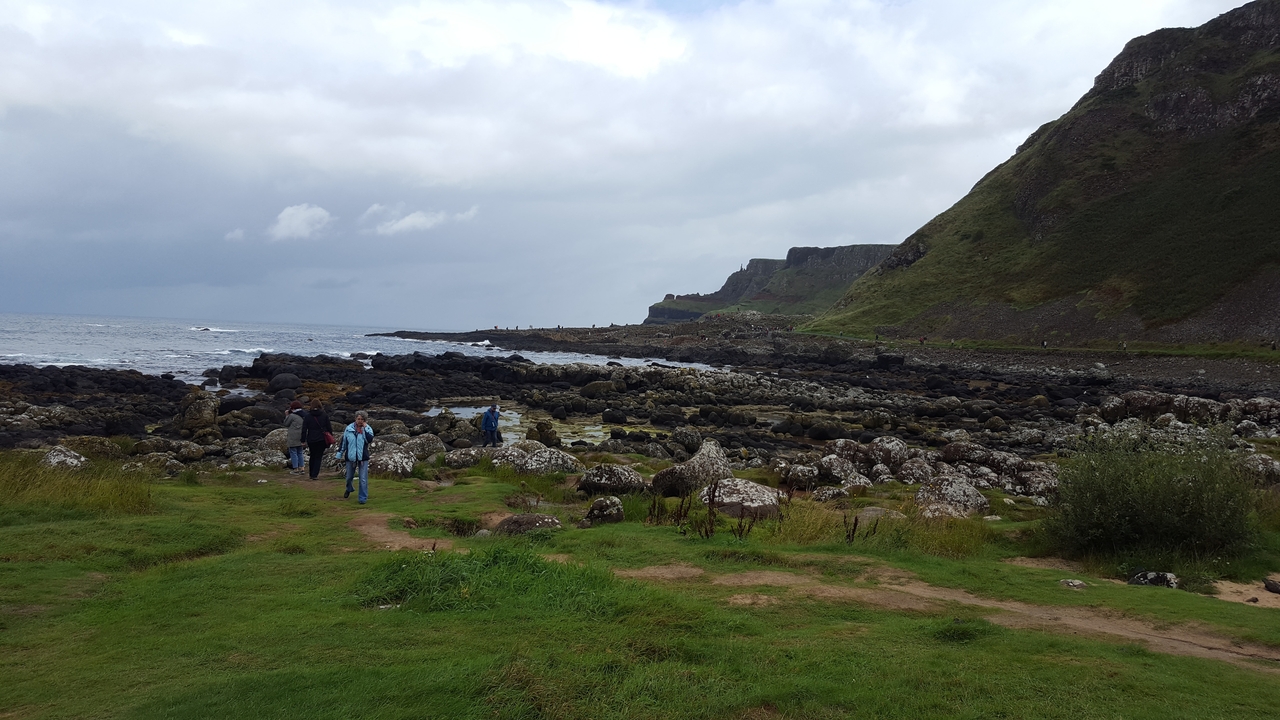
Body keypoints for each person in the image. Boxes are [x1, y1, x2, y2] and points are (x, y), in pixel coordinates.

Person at [338, 412, 375, 503]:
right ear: (355, 419)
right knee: (349, 477)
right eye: (358, 419)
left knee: (363, 479)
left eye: (362, 419)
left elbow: (370, 439)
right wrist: (340, 453)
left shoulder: (368, 429)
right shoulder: (349, 428)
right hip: (350, 457)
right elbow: (344, 442)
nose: (360, 421)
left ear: (365, 420)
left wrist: (365, 428)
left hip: (363, 457)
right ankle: (349, 488)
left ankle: (362, 499)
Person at [301, 399, 332, 480]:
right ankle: (315, 474)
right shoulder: (324, 415)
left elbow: (304, 429)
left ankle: (311, 474)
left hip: (311, 438)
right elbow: (329, 427)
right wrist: (330, 437)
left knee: (312, 456)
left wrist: (302, 440)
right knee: (318, 457)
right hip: (321, 438)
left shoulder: (308, 416)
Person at [283, 401, 306, 474]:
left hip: (293, 437)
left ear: (293, 408)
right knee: (300, 452)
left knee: (293, 452)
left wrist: (287, 415)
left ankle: (295, 469)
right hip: (301, 436)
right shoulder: (304, 414)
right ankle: (302, 468)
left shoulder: (292, 416)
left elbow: (286, 424)